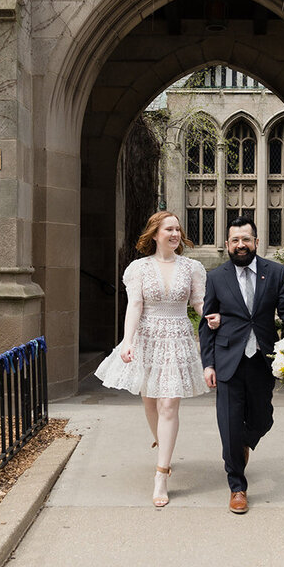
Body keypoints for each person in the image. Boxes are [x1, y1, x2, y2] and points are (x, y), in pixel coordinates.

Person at [94, 211, 220, 507]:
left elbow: (199, 301)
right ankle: (161, 443)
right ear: (155, 234)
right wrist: (127, 341)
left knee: (168, 403)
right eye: (169, 229)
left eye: (178, 229)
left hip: (178, 335)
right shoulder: (139, 268)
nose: (175, 234)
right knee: (150, 398)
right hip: (147, 337)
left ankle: (161, 473)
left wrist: (210, 317)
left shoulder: (192, 267)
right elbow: (135, 305)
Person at [199, 216, 284, 514]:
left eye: (246, 239)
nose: (240, 245)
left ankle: (242, 442)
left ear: (256, 242)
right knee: (229, 424)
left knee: (263, 419)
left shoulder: (275, 273)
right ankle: (237, 487)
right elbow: (207, 323)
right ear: (227, 245)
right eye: (235, 240)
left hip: (262, 359)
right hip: (227, 359)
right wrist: (208, 363)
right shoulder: (216, 277)